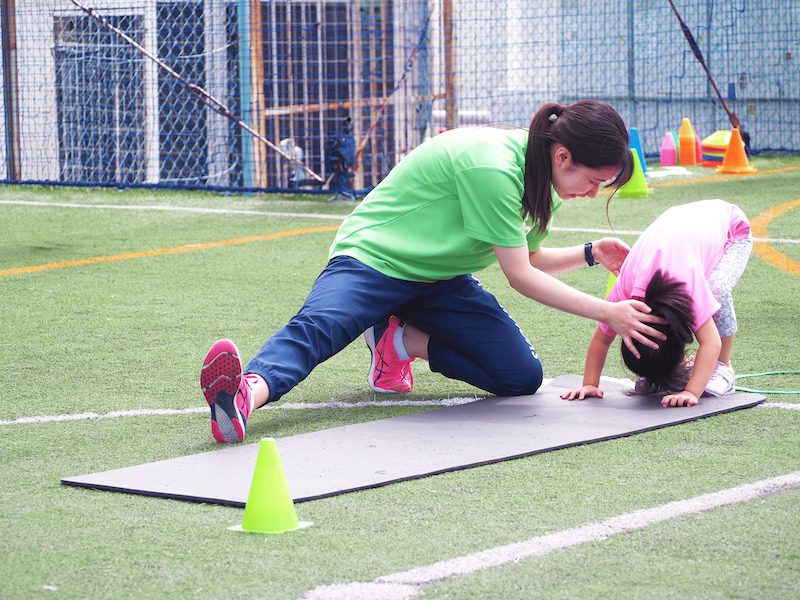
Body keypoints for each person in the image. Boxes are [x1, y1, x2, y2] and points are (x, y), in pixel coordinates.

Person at [200, 100, 667, 443]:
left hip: (440, 280)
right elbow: (521, 277)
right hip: (374, 259)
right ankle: (242, 397)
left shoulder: (545, 181)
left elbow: (530, 258)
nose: (592, 193)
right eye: (593, 181)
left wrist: (590, 252)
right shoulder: (493, 167)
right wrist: (610, 312)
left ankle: (397, 342)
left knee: (520, 376)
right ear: (562, 155)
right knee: (322, 327)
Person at [560, 199, 752, 408]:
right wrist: (590, 384)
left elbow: (712, 343)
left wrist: (691, 391)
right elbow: (602, 339)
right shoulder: (625, 290)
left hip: (731, 227)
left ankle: (723, 367)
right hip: (685, 221)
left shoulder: (687, 286)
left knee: (717, 288)